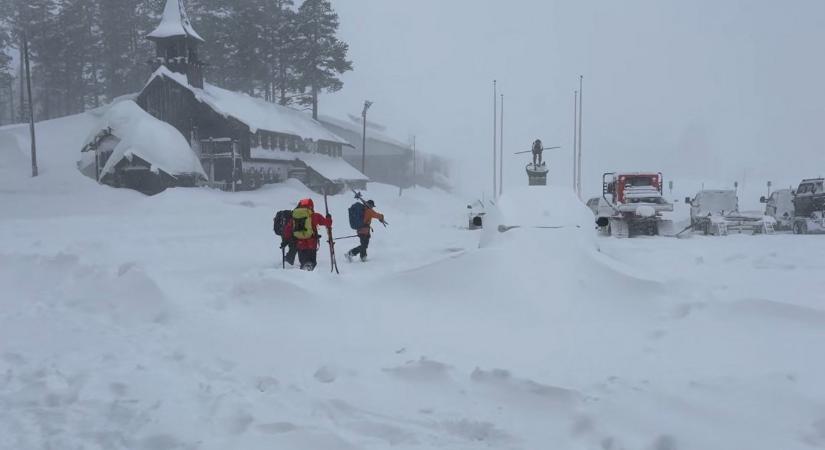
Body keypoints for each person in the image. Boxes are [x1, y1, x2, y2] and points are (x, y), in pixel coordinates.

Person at [282, 198, 333, 271]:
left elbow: (287, 230)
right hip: (312, 243)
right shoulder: (314, 216)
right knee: (312, 262)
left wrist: (285, 239)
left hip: (300, 244)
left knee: (303, 262)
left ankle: (303, 276)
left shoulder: (294, 216)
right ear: (311, 206)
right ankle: (309, 276)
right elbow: (328, 223)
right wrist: (328, 218)